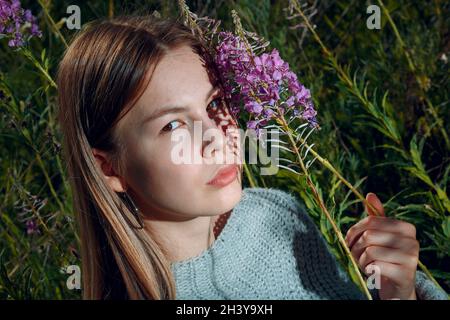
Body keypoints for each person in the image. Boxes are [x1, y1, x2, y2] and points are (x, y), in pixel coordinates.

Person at [56, 14, 448, 300]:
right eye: (173, 126)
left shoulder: (274, 210)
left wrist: (399, 293)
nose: (216, 136)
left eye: (215, 103)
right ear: (109, 168)